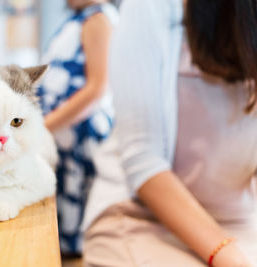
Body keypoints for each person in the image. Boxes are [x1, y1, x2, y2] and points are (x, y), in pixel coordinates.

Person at [82, 0, 257, 266]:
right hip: (141, 219)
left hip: (239, 220)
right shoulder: (150, 7)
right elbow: (143, 162)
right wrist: (228, 255)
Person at [37, 0, 119, 255]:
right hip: (65, 139)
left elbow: (97, 88)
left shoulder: (97, 19)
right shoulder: (82, 18)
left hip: (79, 140)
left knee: (73, 239)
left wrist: (43, 127)